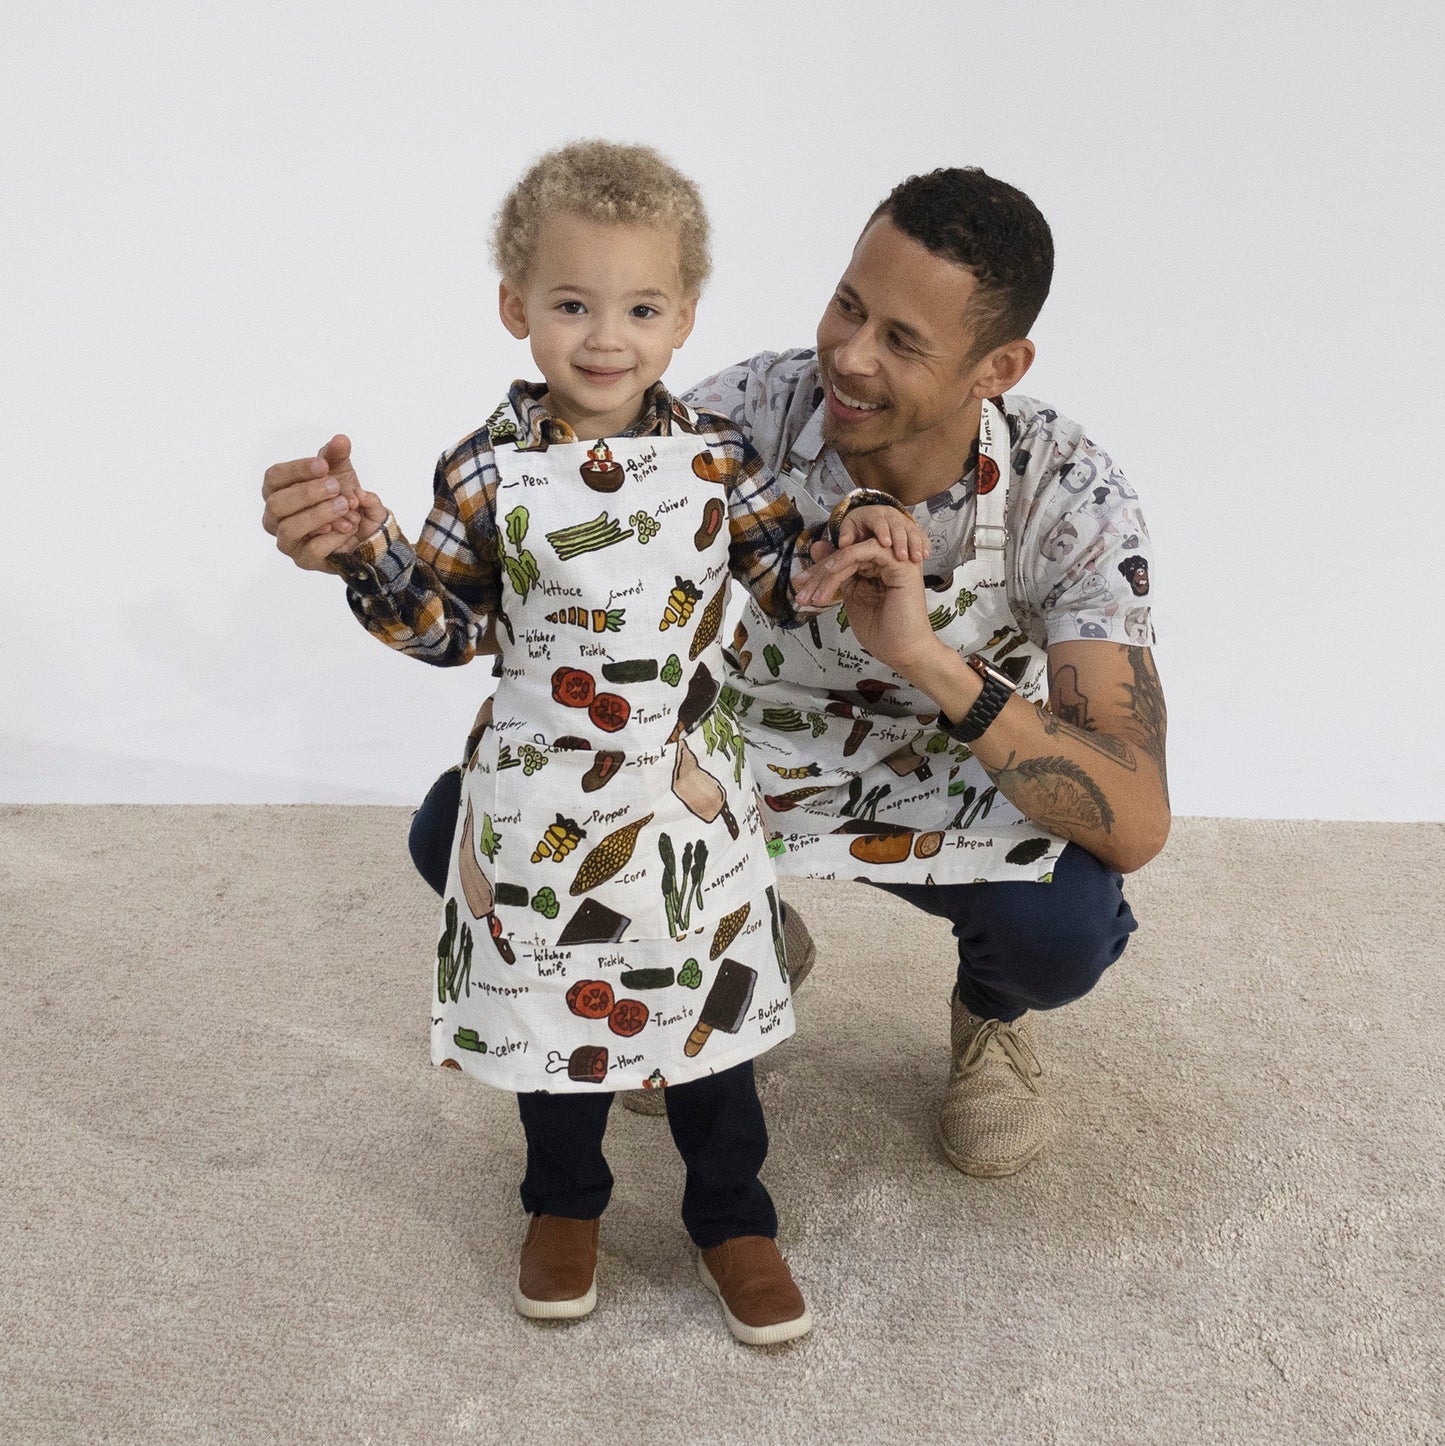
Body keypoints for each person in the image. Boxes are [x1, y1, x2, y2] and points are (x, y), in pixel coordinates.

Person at [260, 140, 924, 1343]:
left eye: (641, 308)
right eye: (572, 304)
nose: (605, 337)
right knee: (548, 1015)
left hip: (681, 790)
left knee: (706, 1021)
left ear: (684, 319)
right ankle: (562, 1203)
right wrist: (367, 553)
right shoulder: (484, 470)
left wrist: (855, 532)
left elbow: (783, 580)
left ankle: (732, 1218)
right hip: (541, 791)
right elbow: (451, 630)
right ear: (515, 307)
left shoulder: (718, 456)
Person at [399, 166, 1171, 1179]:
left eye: (901, 341)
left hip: (952, 770)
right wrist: (369, 556)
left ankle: (989, 1013)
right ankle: (738, 932)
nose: (848, 356)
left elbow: (1134, 819)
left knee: (1062, 925)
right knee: (462, 829)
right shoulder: (738, 417)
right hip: (740, 750)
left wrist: (922, 656)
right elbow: (553, 556)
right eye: (848, 305)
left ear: (998, 366)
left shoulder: (1064, 494)